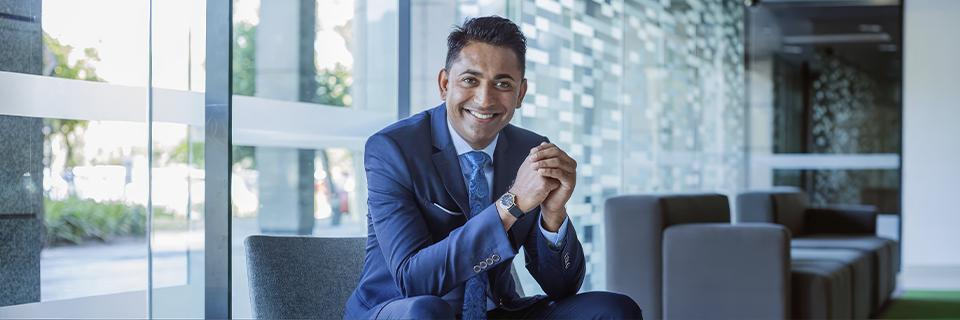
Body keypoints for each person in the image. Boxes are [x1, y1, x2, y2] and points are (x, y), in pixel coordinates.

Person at [344, 16, 642, 319]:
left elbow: (562, 289)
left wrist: (553, 215)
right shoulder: (393, 149)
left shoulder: (530, 151)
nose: (485, 100)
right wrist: (511, 205)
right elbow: (413, 280)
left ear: (520, 94)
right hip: (405, 308)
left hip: (496, 310)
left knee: (613, 310)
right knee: (426, 312)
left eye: (502, 84)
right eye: (470, 80)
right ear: (445, 84)